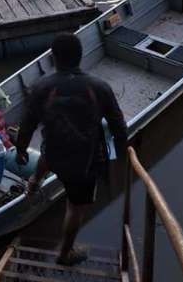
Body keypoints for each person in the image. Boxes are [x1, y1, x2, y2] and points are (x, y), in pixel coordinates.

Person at [15, 33, 127, 266]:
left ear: (54, 58)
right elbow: (118, 126)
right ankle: (65, 254)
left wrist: (21, 150)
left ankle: (34, 182)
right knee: (76, 208)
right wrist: (121, 156)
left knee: (49, 150)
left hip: (53, 153)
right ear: (81, 55)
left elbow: (26, 126)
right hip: (84, 163)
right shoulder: (100, 87)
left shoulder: (40, 88)